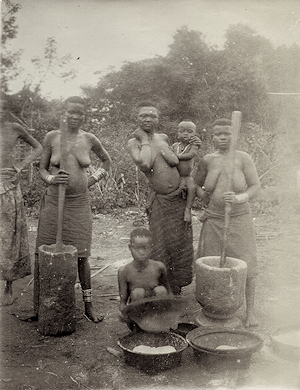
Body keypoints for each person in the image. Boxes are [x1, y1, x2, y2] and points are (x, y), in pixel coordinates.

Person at [33, 96, 111, 323]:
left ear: (84, 115)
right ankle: (37, 308)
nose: (75, 116)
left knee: (82, 256)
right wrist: (51, 179)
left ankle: (89, 306)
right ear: (64, 113)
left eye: (80, 113)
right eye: (71, 112)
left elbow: (107, 162)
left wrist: (92, 179)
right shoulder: (52, 137)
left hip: (79, 204)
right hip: (54, 203)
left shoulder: (89, 138)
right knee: (41, 254)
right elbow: (42, 169)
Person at [127, 102, 200, 295]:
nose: (148, 119)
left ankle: (176, 285)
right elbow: (145, 163)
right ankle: (161, 284)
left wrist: (184, 180)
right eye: (144, 116)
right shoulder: (134, 142)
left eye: (153, 116)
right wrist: (144, 139)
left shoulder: (164, 138)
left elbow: (177, 162)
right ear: (137, 118)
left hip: (178, 199)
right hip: (160, 201)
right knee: (160, 244)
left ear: (158, 119)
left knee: (179, 242)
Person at [194, 118, 260, 327]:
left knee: (246, 262)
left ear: (235, 135)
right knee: (211, 264)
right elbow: (196, 184)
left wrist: (240, 198)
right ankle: (213, 310)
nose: (223, 138)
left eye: (227, 134)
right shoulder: (207, 160)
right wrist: (207, 202)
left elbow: (255, 186)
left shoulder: (242, 158)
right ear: (212, 137)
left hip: (239, 218)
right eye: (218, 134)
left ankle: (250, 312)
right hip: (214, 220)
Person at [0, 93, 43, 305]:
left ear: (7, 111)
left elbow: (38, 147)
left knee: (8, 235)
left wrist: (20, 166)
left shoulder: (14, 129)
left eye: (2, 108)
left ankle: (8, 284)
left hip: (7, 183)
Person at [118, 228, 172, 321]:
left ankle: (159, 322)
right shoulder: (124, 271)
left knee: (161, 290)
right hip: (137, 312)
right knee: (138, 292)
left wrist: (171, 309)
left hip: (156, 310)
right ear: (130, 248)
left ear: (151, 248)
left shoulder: (159, 267)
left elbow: (169, 292)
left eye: (145, 248)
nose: (141, 252)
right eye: (137, 248)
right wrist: (123, 314)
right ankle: (138, 327)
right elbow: (123, 302)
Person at [172, 120, 200, 222]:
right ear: (178, 134)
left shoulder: (193, 146)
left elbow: (190, 155)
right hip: (175, 175)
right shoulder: (175, 146)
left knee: (192, 188)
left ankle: (188, 209)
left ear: (195, 135)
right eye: (182, 131)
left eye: (189, 131)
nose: (185, 134)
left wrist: (177, 156)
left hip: (186, 175)